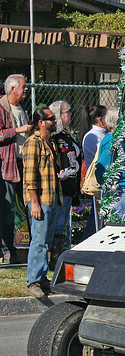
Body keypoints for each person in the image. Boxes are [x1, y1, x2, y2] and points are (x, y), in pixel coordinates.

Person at [23, 108, 62, 298]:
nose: (55, 121)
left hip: (52, 198)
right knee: (38, 241)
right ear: (41, 123)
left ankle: (42, 277)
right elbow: (30, 176)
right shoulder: (33, 143)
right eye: (51, 119)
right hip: (41, 200)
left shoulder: (50, 143)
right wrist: (34, 203)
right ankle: (33, 281)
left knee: (46, 241)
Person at [0, 74, 30, 264]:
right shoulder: (2, 107)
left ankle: (25, 248)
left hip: (24, 164)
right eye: (23, 87)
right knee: (7, 208)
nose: (26, 89)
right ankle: (7, 249)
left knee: (28, 205)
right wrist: (17, 130)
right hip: (7, 165)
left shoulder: (21, 109)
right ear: (13, 89)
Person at [48, 101, 81, 269]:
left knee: (64, 221)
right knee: (59, 221)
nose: (70, 115)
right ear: (59, 115)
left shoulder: (68, 135)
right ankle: (55, 259)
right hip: (61, 185)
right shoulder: (55, 137)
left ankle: (60, 254)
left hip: (70, 185)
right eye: (67, 112)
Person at [95, 107, 125, 222]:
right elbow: (103, 167)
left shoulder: (117, 141)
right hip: (120, 189)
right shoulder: (112, 142)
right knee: (121, 223)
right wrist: (110, 186)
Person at [79, 105, 107, 238]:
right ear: (100, 119)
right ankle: (88, 240)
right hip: (98, 180)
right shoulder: (92, 136)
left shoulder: (103, 134)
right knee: (97, 215)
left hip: (106, 180)